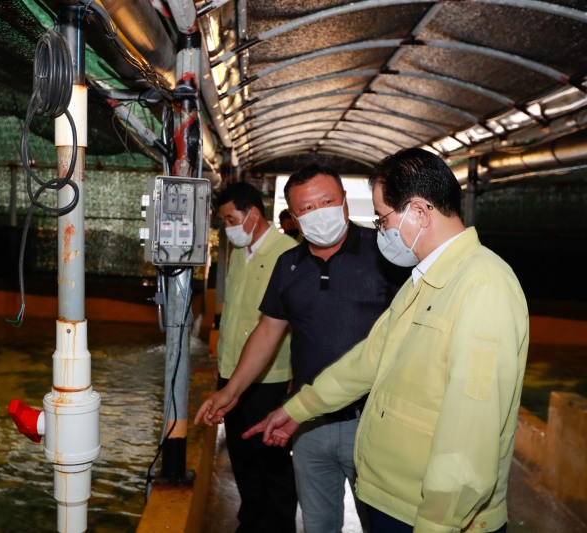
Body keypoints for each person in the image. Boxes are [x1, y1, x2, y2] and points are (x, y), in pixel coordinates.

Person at [243, 148, 530, 533]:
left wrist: (436, 524)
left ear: (419, 212)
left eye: (383, 219)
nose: (381, 229)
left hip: (431, 516)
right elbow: (370, 359)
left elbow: (471, 435)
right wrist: (299, 408)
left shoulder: (483, 287)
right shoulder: (422, 280)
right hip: (394, 501)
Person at [196, 165, 407, 532]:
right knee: (317, 525)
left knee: (383, 524)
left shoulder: (386, 254)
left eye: (327, 201)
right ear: (293, 217)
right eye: (307, 208)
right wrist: (232, 389)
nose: (319, 213)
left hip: (375, 422)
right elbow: (267, 332)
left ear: (344, 204)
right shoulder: (288, 266)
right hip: (309, 423)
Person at [213, 181, 300, 533]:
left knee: (272, 459)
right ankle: (251, 519)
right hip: (231, 373)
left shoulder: (288, 254)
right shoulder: (237, 254)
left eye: (230, 218)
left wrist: (295, 375)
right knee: (241, 455)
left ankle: (278, 525)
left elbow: (290, 322)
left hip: (270, 378)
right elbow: (233, 313)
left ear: (252, 214)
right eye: (223, 221)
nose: (228, 227)